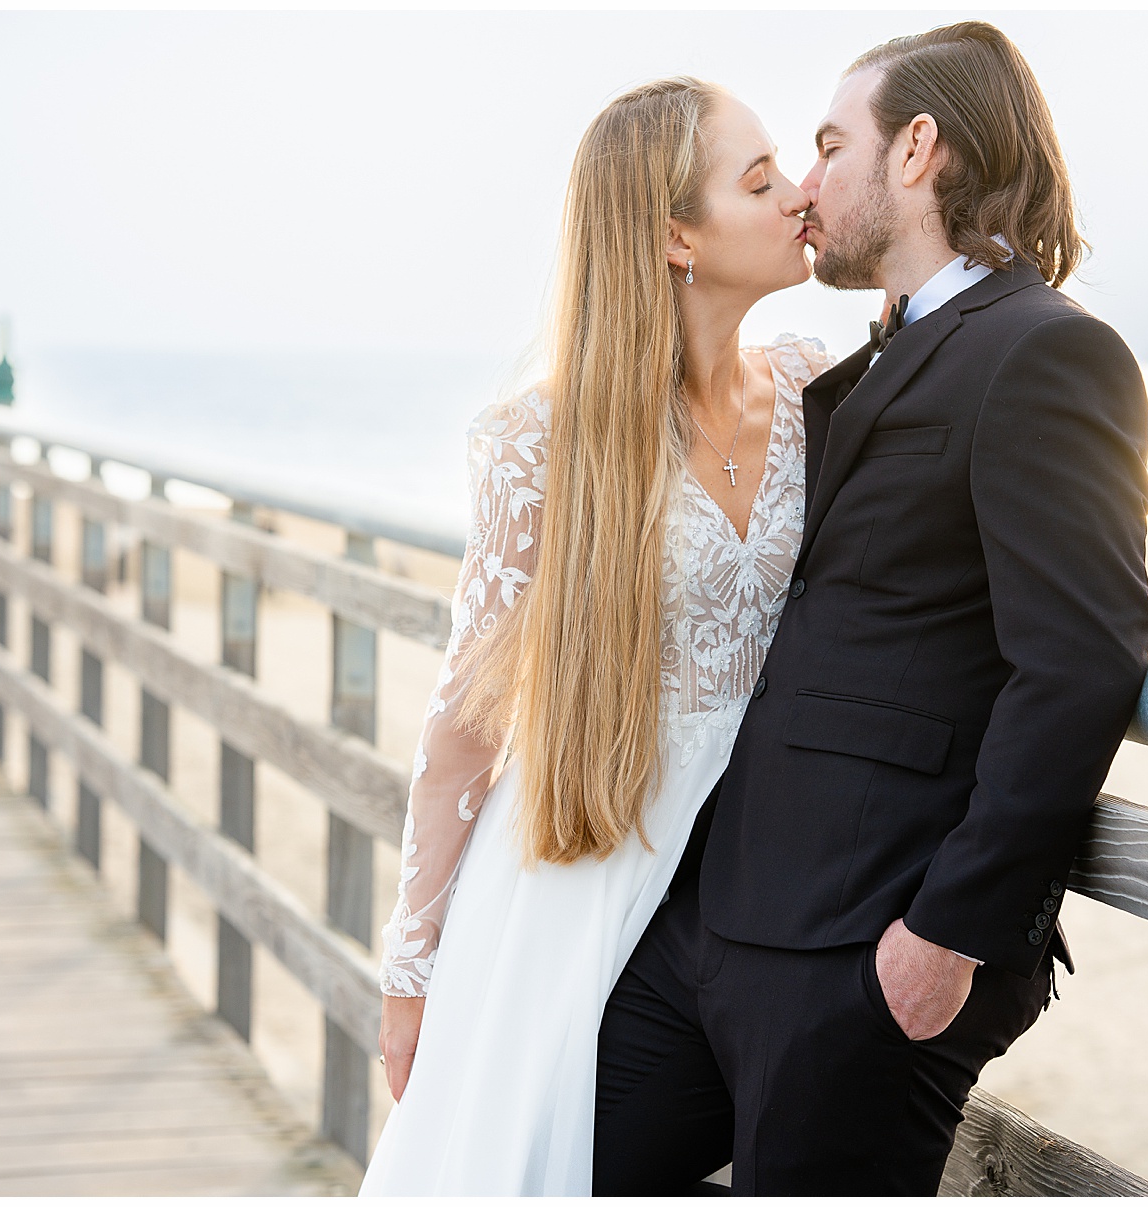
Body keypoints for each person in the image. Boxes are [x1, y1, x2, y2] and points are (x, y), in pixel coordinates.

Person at [592, 22, 1148, 1195]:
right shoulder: (864, 364)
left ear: (917, 152)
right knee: (549, 1163)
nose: (807, 185)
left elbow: (1084, 660)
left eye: (829, 146)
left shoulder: (1046, 354)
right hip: (717, 923)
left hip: (865, 947)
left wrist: (948, 932)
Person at [358, 77, 827, 1195]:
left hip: (765, 851)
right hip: (597, 845)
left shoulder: (819, 390)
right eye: (760, 180)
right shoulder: (545, 438)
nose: (800, 195)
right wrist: (411, 971)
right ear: (678, 236)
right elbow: (466, 724)